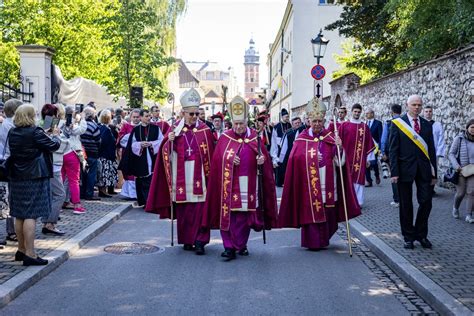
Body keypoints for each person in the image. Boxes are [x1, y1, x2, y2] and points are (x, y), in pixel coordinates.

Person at [279, 98, 360, 250]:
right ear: (308, 120)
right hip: (308, 183)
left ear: (323, 120)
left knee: (328, 211)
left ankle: (323, 239)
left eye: (319, 121)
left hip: (329, 182)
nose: (317, 124)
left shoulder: (331, 137)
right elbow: (295, 158)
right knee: (310, 210)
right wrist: (311, 157)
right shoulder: (302, 138)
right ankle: (312, 241)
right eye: (314, 121)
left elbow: (340, 163)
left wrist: (340, 148)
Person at [203, 96, 277, 260]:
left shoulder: (255, 139)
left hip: (248, 184)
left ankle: (241, 244)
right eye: (236, 124)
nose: (238, 127)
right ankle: (229, 246)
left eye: (241, 124)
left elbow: (265, 163)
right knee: (228, 214)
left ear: (246, 122)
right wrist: (228, 160)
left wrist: (262, 161)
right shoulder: (225, 138)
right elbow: (217, 161)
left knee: (244, 216)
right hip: (228, 185)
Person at [146, 88, 215, 255]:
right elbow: (165, 153)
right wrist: (168, 142)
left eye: (196, 114)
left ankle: (200, 240)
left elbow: (212, 155)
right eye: (191, 114)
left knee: (199, 210)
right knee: (184, 211)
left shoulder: (205, 130)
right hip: (182, 176)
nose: (194, 117)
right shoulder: (174, 130)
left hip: (200, 178)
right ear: (183, 113)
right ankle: (187, 239)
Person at [8, 104, 61, 266]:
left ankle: (21, 250)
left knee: (19, 214)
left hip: (16, 176)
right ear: (30, 116)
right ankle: (31, 253)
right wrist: (56, 135)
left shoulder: (13, 131)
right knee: (31, 215)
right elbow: (53, 146)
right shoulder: (35, 132)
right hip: (34, 177)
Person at [389, 95, 437, 249]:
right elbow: (393, 149)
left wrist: (434, 172)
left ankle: (421, 234)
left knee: (426, 202)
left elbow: (431, 150)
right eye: (414, 105)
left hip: (423, 170)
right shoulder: (398, 124)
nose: (417, 107)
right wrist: (394, 172)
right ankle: (408, 237)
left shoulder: (426, 124)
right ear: (407, 105)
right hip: (404, 170)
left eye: (419, 105)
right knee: (406, 204)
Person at [124, 109, 163, 208]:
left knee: (150, 179)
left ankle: (150, 202)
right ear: (141, 117)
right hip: (140, 157)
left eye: (149, 116)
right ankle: (142, 201)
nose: (149, 118)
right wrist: (140, 144)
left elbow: (161, 141)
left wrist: (151, 144)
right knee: (141, 179)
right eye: (146, 116)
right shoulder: (136, 129)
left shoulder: (156, 128)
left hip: (152, 155)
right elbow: (131, 144)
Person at [338, 104, 375, 206]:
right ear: (351, 111)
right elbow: (338, 142)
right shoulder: (344, 125)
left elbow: (369, 143)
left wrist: (368, 159)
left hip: (360, 159)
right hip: (347, 157)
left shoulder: (364, 127)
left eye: (359, 112)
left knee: (359, 179)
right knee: (347, 179)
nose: (357, 113)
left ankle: (359, 202)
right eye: (355, 111)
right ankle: (347, 202)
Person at [40, 104, 68, 236]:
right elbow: (56, 147)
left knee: (51, 195)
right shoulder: (47, 127)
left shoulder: (44, 125)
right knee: (60, 194)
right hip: (52, 165)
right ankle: (50, 223)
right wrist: (57, 136)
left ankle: (47, 222)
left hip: (52, 165)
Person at [0, 99, 23, 244]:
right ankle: (11, 230)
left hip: (4, 161)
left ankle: (11, 230)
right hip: (9, 163)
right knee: (9, 199)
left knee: (6, 199)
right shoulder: (12, 126)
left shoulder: (4, 124)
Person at [61, 105, 88, 214]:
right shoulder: (72, 124)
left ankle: (59, 204)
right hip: (72, 153)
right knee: (73, 180)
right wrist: (82, 118)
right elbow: (81, 130)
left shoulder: (57, 123)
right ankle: (77, 205)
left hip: (59, 154)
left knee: (61, 180)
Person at [449, 119, 474, 223]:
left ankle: (469, 215)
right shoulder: (459, 139)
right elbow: (451, 153)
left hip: (473, 170)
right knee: (461, 193)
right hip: (461, 170)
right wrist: (456, 166)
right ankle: (455, 207)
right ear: (467, 127)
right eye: (472, 127)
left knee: (472, 192)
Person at [381, 104, 402, 207]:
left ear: (392, 112)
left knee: (394, 175)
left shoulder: (389, 123)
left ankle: (396, 199)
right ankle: (403, 198)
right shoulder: (405, 123)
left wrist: (383, 152)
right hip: (403, 154)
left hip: (391, 153)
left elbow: (384, 139)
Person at [117, 109, 140, 200]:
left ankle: (137, 194)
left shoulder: (144, 126)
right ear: (130, 117)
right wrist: (131, 136)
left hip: (139, 154)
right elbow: (120, 138)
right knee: (128, 173)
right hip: (128, 153)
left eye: (137, 117)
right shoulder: (126, 126)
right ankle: (128, 193)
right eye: (134, 117)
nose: (135, 119)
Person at [423, 105, 446, 195]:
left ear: (432, 113)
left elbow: (441, 138)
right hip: (423, 151)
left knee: (433, 170)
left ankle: (431, 189)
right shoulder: (420, 124)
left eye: (430, 111)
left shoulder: (437, 125)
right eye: (426, 111)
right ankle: (425, 188)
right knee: (424, 170)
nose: (428, 113)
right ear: (423, 112)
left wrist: (439, 152)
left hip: (434, 151)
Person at [80, 106, 101, 200]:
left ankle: (82, 193)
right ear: (93, 115)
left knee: (82, 174)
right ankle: (89, 194)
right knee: (91, 174)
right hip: (92, 152)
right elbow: (98, 140)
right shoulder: (94, 126)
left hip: (82, 153)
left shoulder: (80, 125)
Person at [97, 110, 118, 198]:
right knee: (105, 173)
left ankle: (105, 190)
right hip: (106, 154)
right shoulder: (106, 129)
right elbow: (104, 142)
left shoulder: (100, 127)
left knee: (105, 173)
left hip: (104, 154)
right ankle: (103, 191)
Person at [277, 116, 303, 184]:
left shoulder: (305, 132)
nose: (297, 124)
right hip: (290, 155)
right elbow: (283, 147)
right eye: (295, 123)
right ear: (292, 124)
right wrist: (281, 160)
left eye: (299, 123)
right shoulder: (288, 133)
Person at [270, 108, 291, 187]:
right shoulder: (277, 127)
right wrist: (274, 156)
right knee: (280, 166)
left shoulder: (289, 125)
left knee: (286, 166)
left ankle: (286, 181)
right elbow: (274, 142)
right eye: (286, 117)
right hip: (279, 149)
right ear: (282, 117)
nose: (287, 118)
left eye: (288, 116)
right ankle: (279, 182)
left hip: (287, 149)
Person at [365, 108, 383, 187]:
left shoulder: (378, 123)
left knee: (374, 163)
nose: (366, 115)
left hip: (375, 146)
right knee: (366, 163)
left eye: (368, 113)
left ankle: (377, 175)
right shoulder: (365, 123)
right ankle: (369, 181)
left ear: (372, 114)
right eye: (366, 113)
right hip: (366, 147)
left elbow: (380, 135)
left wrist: (380, 148)